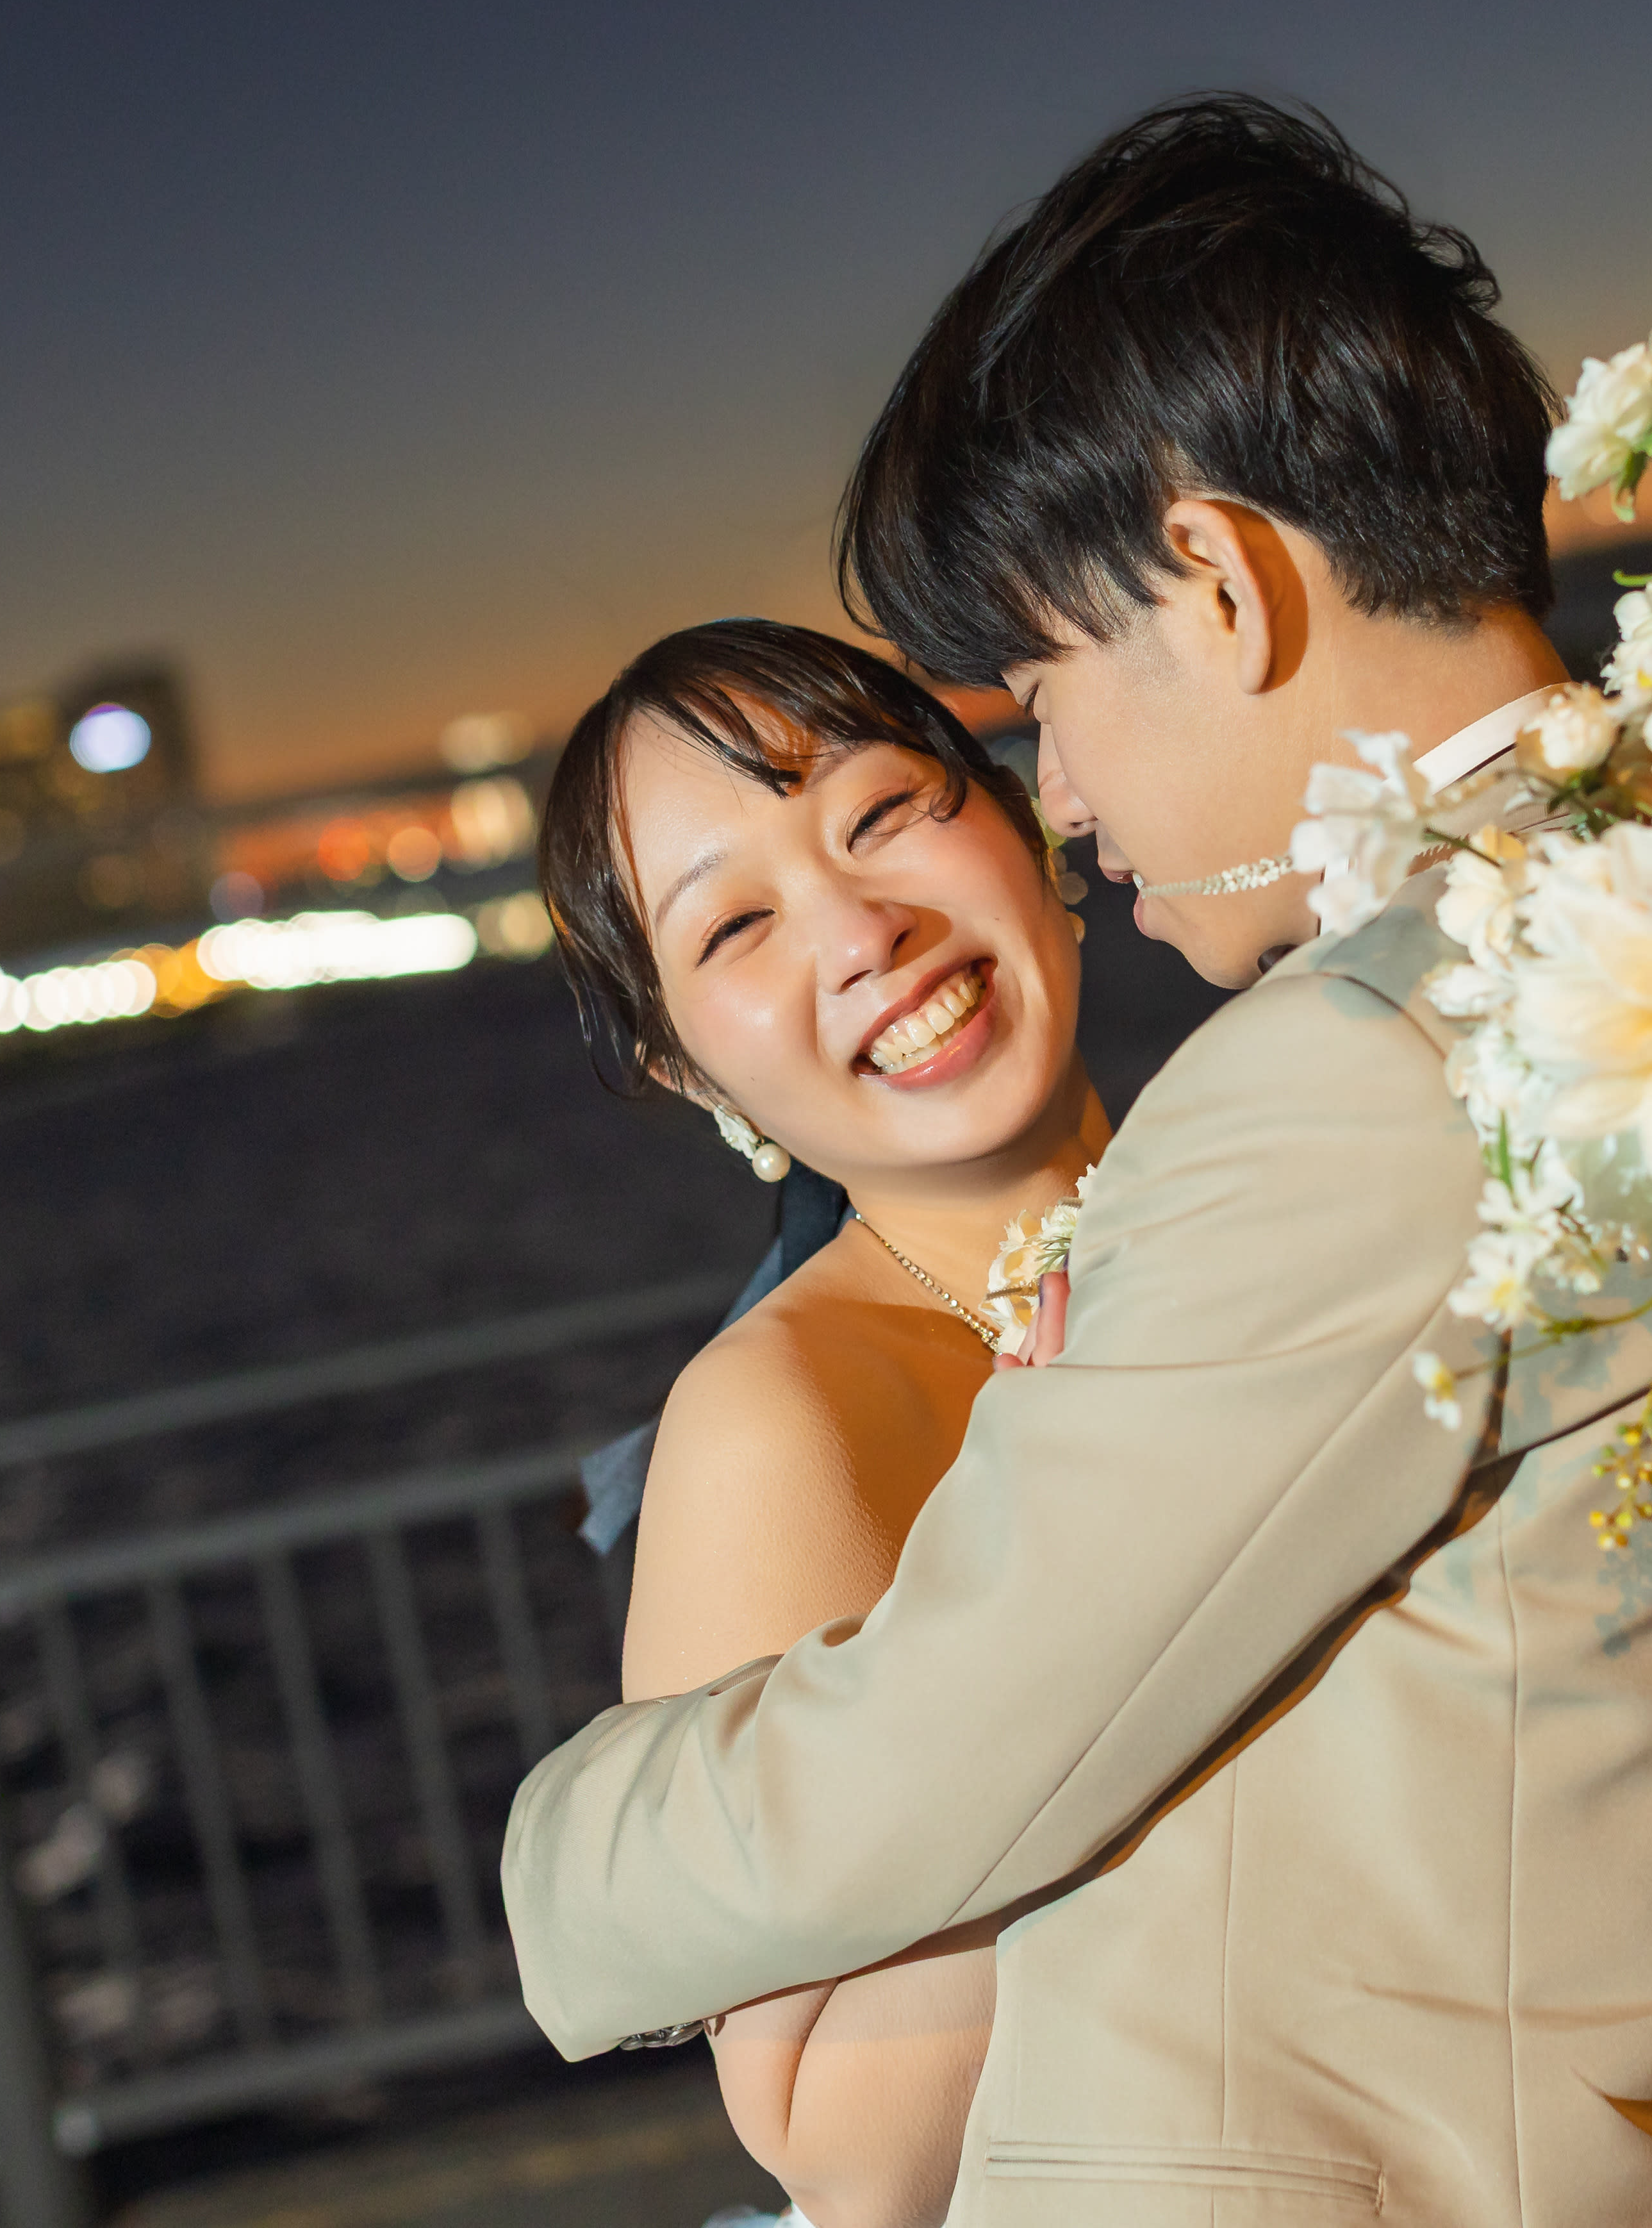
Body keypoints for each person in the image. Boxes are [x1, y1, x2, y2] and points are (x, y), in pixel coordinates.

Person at [505, 94, 1652, 2225]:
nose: (1069, 788)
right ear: (677, 1059)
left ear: (1219, 582)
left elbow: (1008, 1720)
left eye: (1026, 706)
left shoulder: (1360, 1072)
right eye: (733, 929)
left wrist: (560, 1850)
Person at [534, 618, 1107, 2227]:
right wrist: (1071, 1564)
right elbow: (848, 2162)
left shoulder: (1273, 1174)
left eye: (882, 814)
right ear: (687, 1071)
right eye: (736, 926)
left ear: (1026, 823)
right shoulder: (775, 1423)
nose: (860, 932)